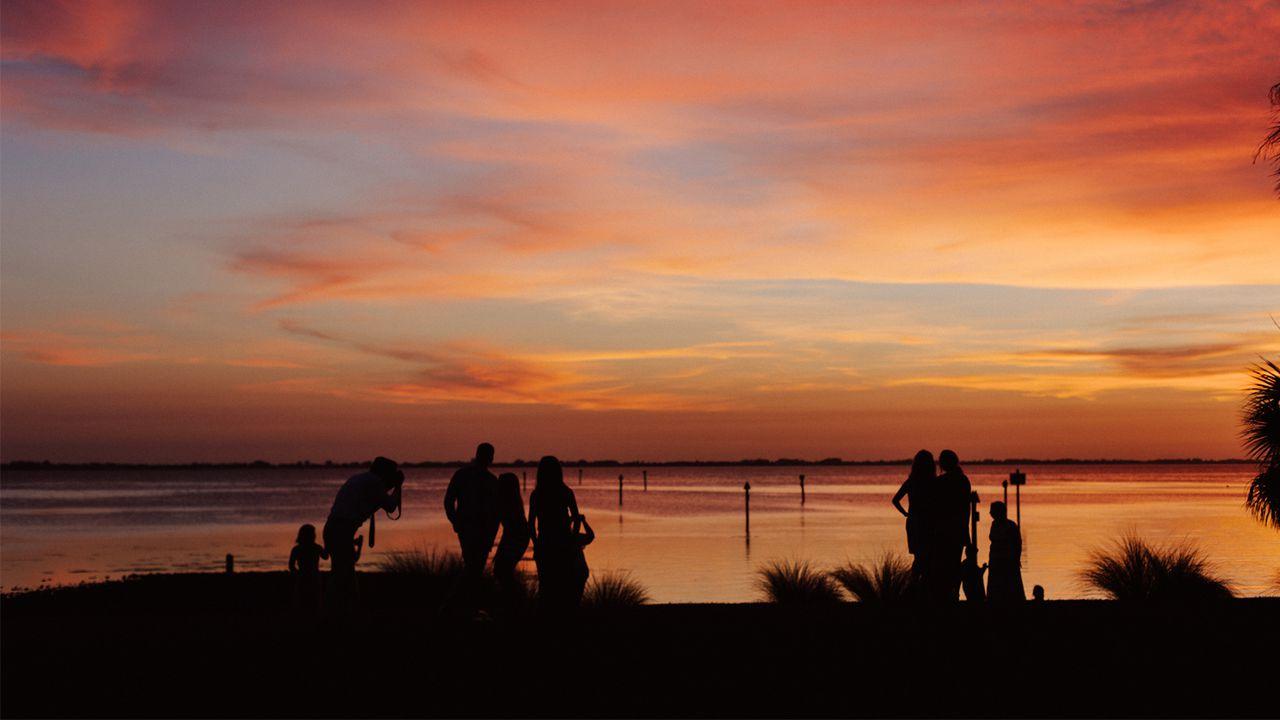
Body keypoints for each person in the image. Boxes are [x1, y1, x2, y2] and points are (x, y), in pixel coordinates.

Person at [323, 456, 403, 613]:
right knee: (341, 578)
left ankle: (340, 613)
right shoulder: (374, 482)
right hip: (341, 531)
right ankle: (330, 613)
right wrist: (398, 486)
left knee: (343, 576)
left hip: (334, 529)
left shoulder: (361, 479)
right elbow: (391, 506)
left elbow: (374, 498)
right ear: (384, 472)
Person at [443, 443, 500, 600]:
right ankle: (456, 602)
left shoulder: (490, 480)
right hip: (469, 528)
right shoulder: (465, 475)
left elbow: (496, 513)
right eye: (489, 455)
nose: (490, 459)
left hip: (481, 531)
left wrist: (491, 535)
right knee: (472, 567)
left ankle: (465, 603)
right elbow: (449, 501)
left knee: (474, 567)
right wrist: (455, 521)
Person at [527, 455, 579, 610]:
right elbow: (576, 518)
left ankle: (546, 615)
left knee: (546, 583)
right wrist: (573, 539)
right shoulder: (566, 492)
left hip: (545, 542)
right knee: (563, 582)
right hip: (563, 542)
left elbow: (531, 522)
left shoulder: (537, 494)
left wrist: (536, 542)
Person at [927, 449, 971, 601]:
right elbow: (966, 510)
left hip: (942, 529)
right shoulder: (964, 480)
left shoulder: (940, 482)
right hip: (958, 529)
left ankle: (944, 595)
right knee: (954, 564)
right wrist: (967, 534)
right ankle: (954, 594)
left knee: (942, 564)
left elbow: (933, 506)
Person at [891, 450, 936, 584]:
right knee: (927, 557)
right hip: (927, 522)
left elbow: (895, 500)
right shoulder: (933, 482)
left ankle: (914, 584)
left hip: (914, 521)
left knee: (920, 556)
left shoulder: (911, 481)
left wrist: (905, 513)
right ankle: (916, 585)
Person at [492, 471, 530, 594]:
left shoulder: (506, 502)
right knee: (502, 570)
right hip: (516, 535)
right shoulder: (511, 501)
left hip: (517, 536)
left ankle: (515, 596)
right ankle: (514, 595)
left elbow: (497, 522)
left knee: (501, 570)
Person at [987, 501, 1025, 602]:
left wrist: (1017, 558)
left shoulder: (1011, 526)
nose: (990, 513)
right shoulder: (994, 524)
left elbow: (1018, 544)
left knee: (1010, 585)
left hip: (1007, 560)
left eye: (992, 511)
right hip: (996, 559)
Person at [289, 524, 329, 612]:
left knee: (303, 601)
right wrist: (327, 543)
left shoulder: (297, 549)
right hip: (314, 576)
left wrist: (298, 573)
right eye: (313, 534)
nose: (315, 535)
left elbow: (291, 566)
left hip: (303, 576)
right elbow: (326, 556)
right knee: (314, 601)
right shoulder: (316, 548)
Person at [568, 513, 596, 606]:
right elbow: (591, 536)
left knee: (573, 600)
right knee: (575, 599)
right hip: (578, 572)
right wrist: (583, 521)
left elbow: (591, 536)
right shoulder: (574, 538)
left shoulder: (573, 537)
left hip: (579, 572)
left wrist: (578, 521)